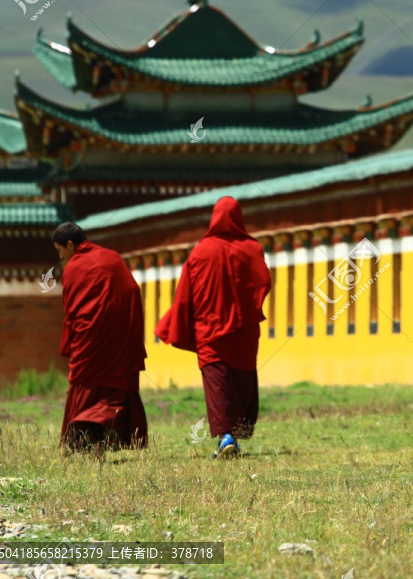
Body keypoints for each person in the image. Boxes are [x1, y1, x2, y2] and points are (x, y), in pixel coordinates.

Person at [156, 196, 271, 459]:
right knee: (241, 381)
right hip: (244, 332)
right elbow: (264, 281)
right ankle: (234, 437)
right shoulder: (253, 249)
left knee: (218, 385)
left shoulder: (201, 250)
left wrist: (176, 319)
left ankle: (226, 436)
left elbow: (186, 292)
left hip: (210, 330)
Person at [53, 222, 148, 457]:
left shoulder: (74, 267)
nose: (61, 257)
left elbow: (72, 310)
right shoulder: (112, 257)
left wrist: (72, 337)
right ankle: (98, 443)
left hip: (90, 340)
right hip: (119, 338)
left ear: (70, 245)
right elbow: (132, 292)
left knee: (88, 389)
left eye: (60, 251)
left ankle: (90, 442)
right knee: (112, 390)